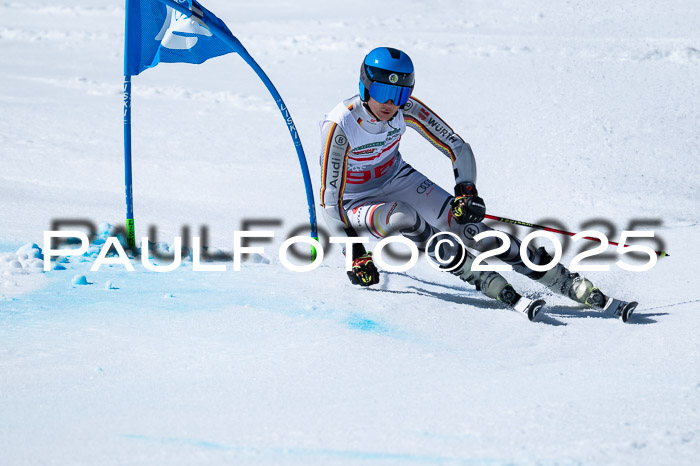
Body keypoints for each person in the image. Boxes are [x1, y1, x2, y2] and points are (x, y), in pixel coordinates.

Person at [318, 46, 636, 322]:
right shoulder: (341, 125)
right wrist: (353, 252)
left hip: (397, 179)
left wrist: (466, 191)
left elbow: (457, 146)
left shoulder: (406, 110)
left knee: (473, 231)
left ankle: (565, 281)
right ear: (365, 87)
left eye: (400, 94)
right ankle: (481, 277)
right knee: (403, 216)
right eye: (382, 92)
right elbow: (330, 200)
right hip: (355, 202)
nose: (390, 103)